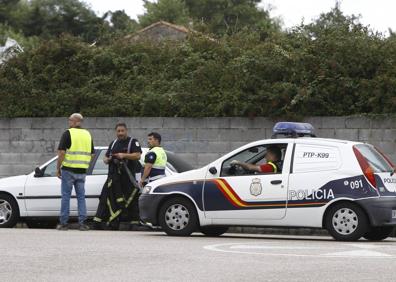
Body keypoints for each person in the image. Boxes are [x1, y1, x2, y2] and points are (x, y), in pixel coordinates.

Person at [93, 122, 142, 230]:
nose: (120, 133)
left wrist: (123, 155)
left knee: (131, 200)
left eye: (122, 131)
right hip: (113, 178)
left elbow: (137, 155)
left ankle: (134, 223)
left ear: (126, 130)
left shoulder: (132, 142)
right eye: (118, 131)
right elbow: (105, 159)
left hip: (128, 178)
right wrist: (109, 159)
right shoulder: (113, 143)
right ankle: (111, 222)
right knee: (106, 198)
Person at [56, 113, 94, 231]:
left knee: (66, 196)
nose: (69, 122)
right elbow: (92, 154)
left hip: (68, 169)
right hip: (82, 171)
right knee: (81, 197)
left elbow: (62, 152)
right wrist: (84, 164)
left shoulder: (68, 133)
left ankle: (63, 223)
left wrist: (58, 168)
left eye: (70, 120)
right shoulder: (87, 134)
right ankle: (82, 223)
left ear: (76, 121)